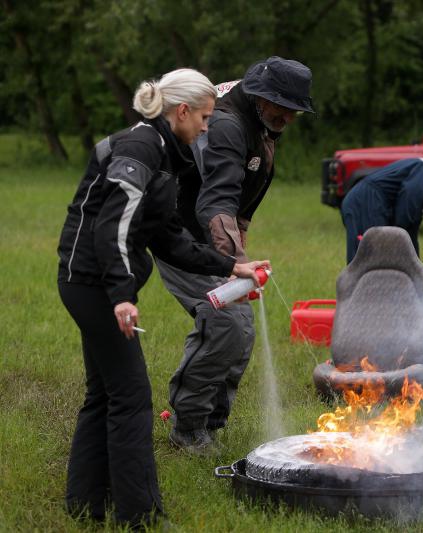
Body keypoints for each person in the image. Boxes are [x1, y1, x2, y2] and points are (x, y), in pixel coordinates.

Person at [57, 69, 270, 528]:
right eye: (206, 118)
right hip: (92, 284)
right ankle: (140, 516)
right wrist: (120, 295)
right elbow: (110, 226)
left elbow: (168, 237)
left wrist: (232, 267)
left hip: (94, 282)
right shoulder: (141, 148)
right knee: (132, 397)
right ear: (182, 111)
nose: (208, 129)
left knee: (104, 393)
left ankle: (85, 504)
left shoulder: (166, 154)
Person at [156, 57, 313, 453]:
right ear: (262, 96)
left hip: (213, 238)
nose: (289, 118)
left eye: (295, 110)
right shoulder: (228, 125)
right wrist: (232, 264)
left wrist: (237, 254)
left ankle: (208, 423)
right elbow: (217, 202)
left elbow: (241, 200)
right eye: (284, 108)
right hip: (180, 236)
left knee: (240, 330)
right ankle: (188, 427)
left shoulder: (259, 117)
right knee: (226, 323)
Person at [340, 157, 423, 262]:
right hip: (367, 202)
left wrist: (415, 264)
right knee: (370, 262)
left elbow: (411, 228)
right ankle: (361, 297)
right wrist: (399, 236)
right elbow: (408, 203)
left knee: (372, 260)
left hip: (366, 201)